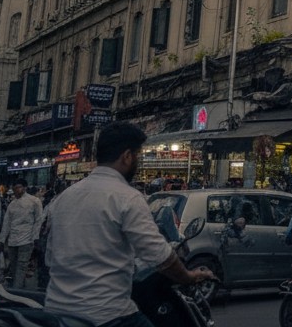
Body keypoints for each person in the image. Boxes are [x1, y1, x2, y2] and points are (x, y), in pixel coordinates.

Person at [44, 122, 214, 327]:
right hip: (106, 314)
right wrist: (187, 276)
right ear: (127, 156)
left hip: (56, 311)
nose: (138, 162)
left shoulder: (64, 198)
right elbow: (160, 255)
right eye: (138, 156)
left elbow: (50, 257)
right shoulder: (127, 197)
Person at [1, 180, 44, 290]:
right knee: (14, 266)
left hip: (27, 239)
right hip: (13, 240)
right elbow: (7, 222)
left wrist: (35, 238)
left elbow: (38, 220)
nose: (17, 190)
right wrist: (2, 239)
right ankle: (20, 286)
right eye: (15, 188)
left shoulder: (34, 201)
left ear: (24, 188)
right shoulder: (12, 204)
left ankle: (16, 290)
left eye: (19, 187)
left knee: (21, 265)